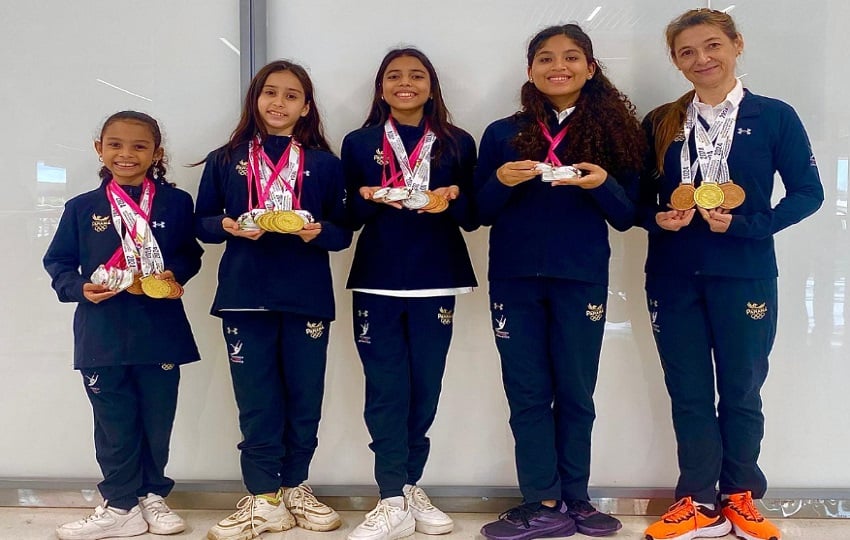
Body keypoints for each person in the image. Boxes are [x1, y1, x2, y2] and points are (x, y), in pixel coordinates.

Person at [639, 9, 824, 540]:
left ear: (737, 45)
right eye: (687, 52)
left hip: (744, 272)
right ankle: (697, 500)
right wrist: (658, 216)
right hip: (673, 274)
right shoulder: (661, 122)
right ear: (675, 61)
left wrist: (748, 225)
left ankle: (741, 496)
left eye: (713, 46)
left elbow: (810, 194)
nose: (702, 59)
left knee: (742, 389)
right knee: (689, 391)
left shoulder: (774, 116)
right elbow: (637, 200)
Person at [475, 24, 645, 540]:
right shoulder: (502, 133)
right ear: (530, 70)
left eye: (572, 58)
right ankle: (540, 501)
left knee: (576, 392)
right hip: (514, 277)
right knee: (526, 393)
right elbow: (476, 215)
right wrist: (499, 182)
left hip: (580, 276)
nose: (558, 67)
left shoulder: (615, 132)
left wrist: (604, 183)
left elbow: (627, 215)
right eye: (546, 59)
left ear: (590, 68)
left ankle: (578, 497)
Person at [194, 60, 351, 540]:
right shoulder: (226, 159)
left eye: (291, 95)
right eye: (270, 92)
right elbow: (202, 221)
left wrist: (318, 231)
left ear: (306, 107)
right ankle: (263, 496)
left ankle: (295, 486)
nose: (278, 103)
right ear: (255, 99)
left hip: (306, 297)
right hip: (245, 295)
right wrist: (224, 225)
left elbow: (343, 233)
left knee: (304, 396)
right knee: (257, 399)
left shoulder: (325, 164)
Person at [44, 111, 203, 540]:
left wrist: (175, 275)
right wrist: (79, 287)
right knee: (114, 422)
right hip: (103, 334)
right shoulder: (82, 208)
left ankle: (152, 495)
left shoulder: (175, 203)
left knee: (157, 418)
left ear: (157, 153)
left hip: (160, 330)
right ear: (100, 149)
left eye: (138, 146)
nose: (126, 154)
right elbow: (57, 262)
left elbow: (191, 254)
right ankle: (120, 503)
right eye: (115, 144)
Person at [341, 47, 478, 540]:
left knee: (425, 384)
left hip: (437, 274)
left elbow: (473, 217)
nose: (405, 83)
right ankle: (389, 495)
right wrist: (363, 197)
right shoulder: (359, 143)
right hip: (377, 275)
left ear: (431, 85)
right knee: (385, 385)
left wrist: (456, 199)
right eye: (394, 76)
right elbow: (348, 219)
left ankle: (410, 482)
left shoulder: (457, 142)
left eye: (416, 75)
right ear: (381, 88)